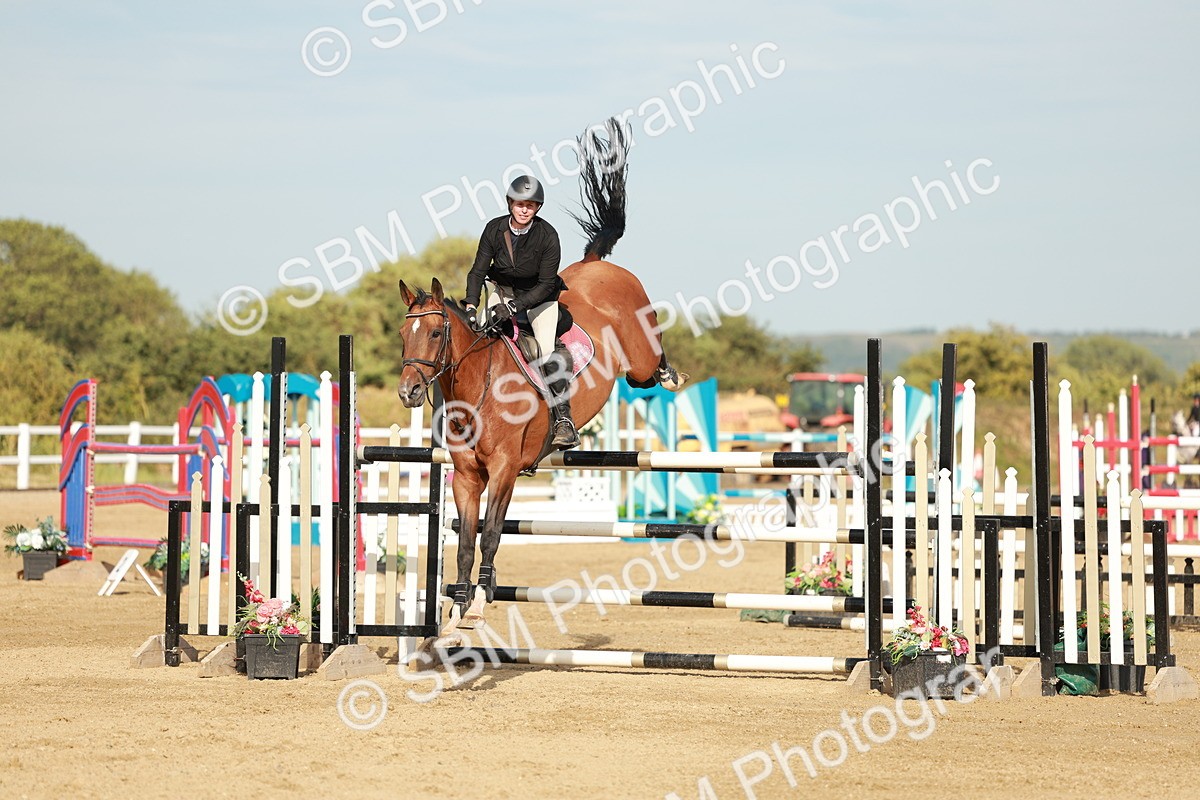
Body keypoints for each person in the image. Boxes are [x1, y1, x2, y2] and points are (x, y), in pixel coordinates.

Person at [464, 175, 579, 449]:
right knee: (480, 339)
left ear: (537, 207)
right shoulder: (494, 229)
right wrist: (470, 305)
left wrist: (514, 308)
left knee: (547, 352)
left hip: (540, 299)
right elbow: (478, 271)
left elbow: (546, 283)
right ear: (510, 204)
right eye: (519, 204)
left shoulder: (548, 236)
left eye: (530, 204)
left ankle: (564, 421)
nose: (524, 209)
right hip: (501, 291)